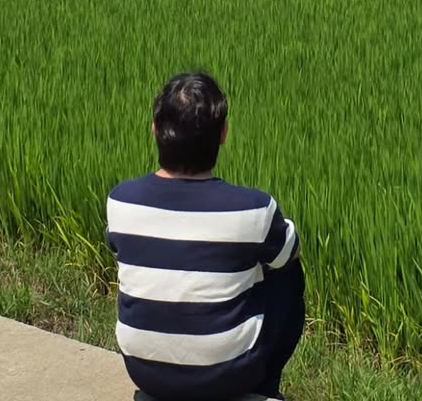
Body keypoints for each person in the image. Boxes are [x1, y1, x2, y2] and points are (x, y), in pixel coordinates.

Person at [106, 73, 305, 401]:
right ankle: (264, 389)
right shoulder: (254, 208)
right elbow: (291, 251)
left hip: (144, 370)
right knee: (286, 273)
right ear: (224, 134)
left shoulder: (121, 200)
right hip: (228, 376)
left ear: (154, 129)